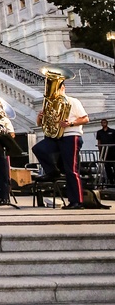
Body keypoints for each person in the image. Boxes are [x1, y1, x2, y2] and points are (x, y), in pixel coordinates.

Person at [35, 79, 89, 208]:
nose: (53, 92)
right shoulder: (49, 104)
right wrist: (40, 117)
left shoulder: (73, 101)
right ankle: (53, 172)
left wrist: (70, 123)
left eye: (56, 89)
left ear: (63, 88)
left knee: (71, 170)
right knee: (39, 149)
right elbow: (40, 125)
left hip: (71, 136)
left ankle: (77, 201)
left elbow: (85, 119)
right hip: (56, 137)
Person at [97, 118, 115, 186]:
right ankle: (110, 181)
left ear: (107, 123)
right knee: (107, 167)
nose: (103, 124)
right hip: (105, 152)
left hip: (113, 151)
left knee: (114, 165)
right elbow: (99, 141)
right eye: (102, 122)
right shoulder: (99, 132)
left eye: (104, 122)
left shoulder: (112, 131)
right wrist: (100, 151)